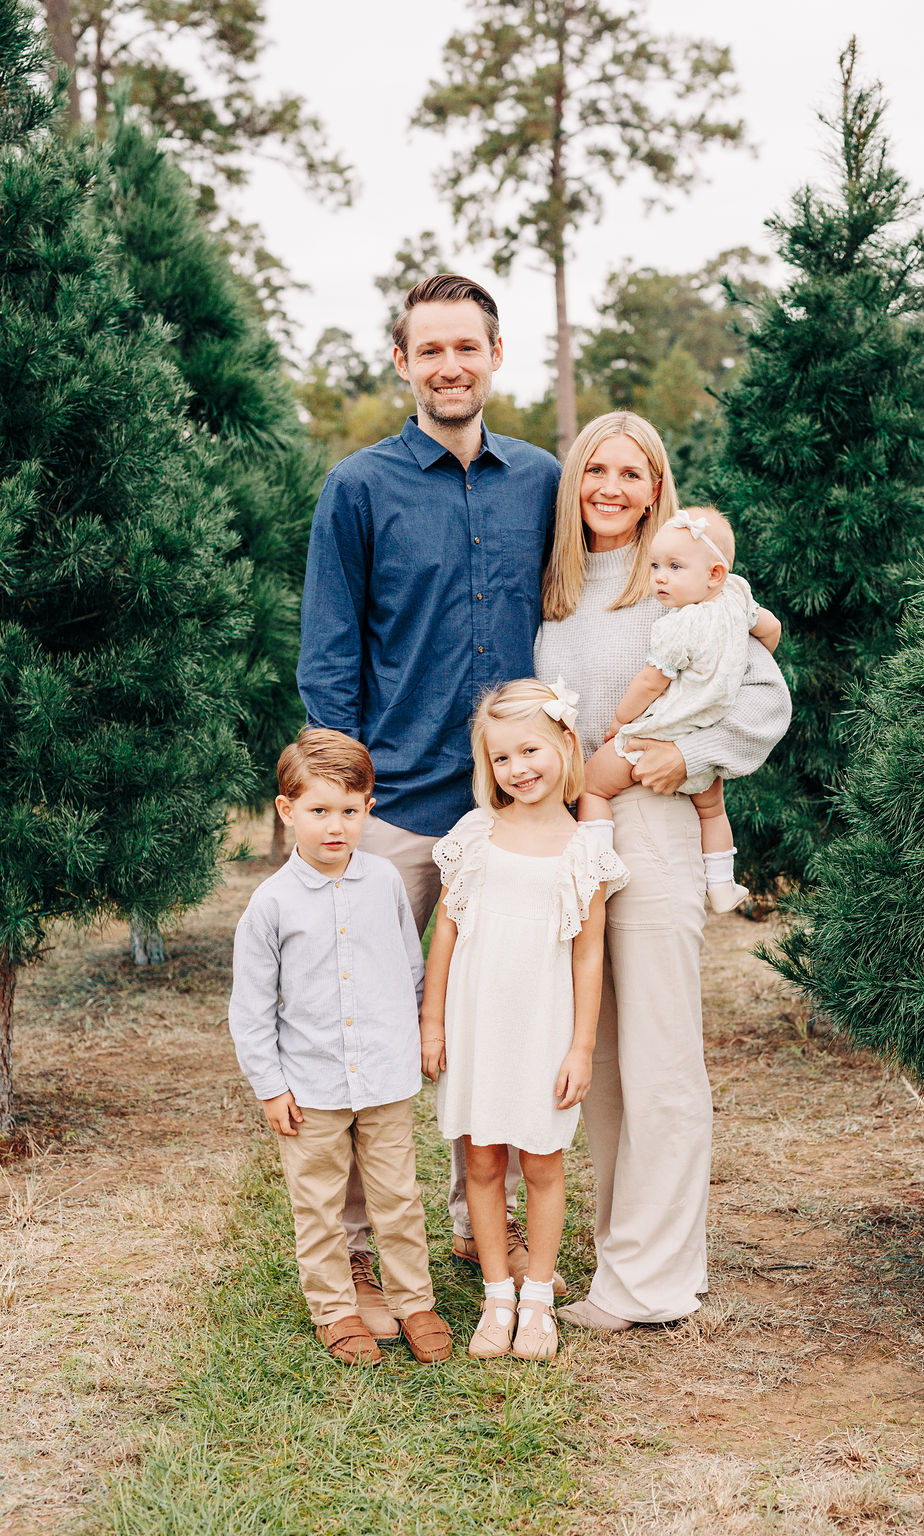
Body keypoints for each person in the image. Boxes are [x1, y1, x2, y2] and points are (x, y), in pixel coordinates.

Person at [296, 273, 564, 1330]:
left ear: (497, 356)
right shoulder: (356, 490)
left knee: (494, 1016)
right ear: (401, 363)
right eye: (430, 349)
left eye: (468, 347)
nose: (450, 365)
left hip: (513, 811)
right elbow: (328, 653)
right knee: (365, 1031)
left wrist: (745, 621)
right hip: (399, 805)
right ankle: (358, 1248)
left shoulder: (541, 479)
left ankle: (475, 1220)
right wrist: (345, 802)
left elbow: (630, 569)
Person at [534, 412, 791, 1331]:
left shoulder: (685, 579)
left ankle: (656, 1283)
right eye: (595, 469)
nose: (610, 487)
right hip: (568, 834)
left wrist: (687, 761)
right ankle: (621, 1261)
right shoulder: (553, 584)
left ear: (657, 489)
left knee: (659, 1057)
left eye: (631, 474)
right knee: (596, 1060)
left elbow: (766, 697)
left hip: (649, 826)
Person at [228, 729, 452, 1365]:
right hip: (311, 1087)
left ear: (369, 809)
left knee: (398, 1198)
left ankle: (413, 1301)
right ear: (286, 809)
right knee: (320, 1205)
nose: (335, 827)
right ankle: (334, 1308)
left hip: (383, 1077)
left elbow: (409, 966)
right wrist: (271, 1087)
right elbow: (250, 1009)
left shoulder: (383, 882)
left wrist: (419, 1031)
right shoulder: (270, 904)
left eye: (349, 811)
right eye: (319, 811)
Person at [420, 681, 628, 1359]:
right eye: (502, 757)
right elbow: (446, 932)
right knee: (481, 1162)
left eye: (530, 749)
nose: (519, 768)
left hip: (542, 1027)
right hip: (477, 1022)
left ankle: (538, 1298)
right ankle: (497, 1295)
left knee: (542, 1162)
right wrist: (433, 1021)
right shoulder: (477, 834)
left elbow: (590, 954)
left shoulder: (585, 850)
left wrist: (580, 1047)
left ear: (566, 745)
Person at [578, 506, 782, 913]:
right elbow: (772, 627)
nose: (661, 577)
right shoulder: (738, 597)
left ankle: (596, 862)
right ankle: (723, 885)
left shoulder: (677, 625)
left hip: (662, 735)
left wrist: (622, 720)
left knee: (591, 785)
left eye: (674, 566)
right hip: (705, 736)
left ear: (714, 574)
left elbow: (652, 682)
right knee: (712, 812)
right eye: (656, 565)